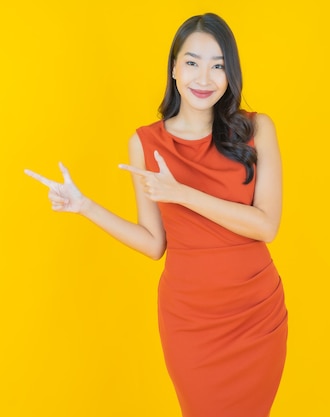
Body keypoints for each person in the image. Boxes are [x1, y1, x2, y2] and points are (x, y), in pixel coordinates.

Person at [25, 13, 287, 417]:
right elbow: (154, 243)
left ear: (230, 72)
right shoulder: (145, 142)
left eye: (218, 65)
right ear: (174, 68)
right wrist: (85, 206)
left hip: (255, 315)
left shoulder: (257, 129)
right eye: (193, 62)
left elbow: (266, 225)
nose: (205, 77)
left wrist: (181, 193)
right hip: (191, 321)